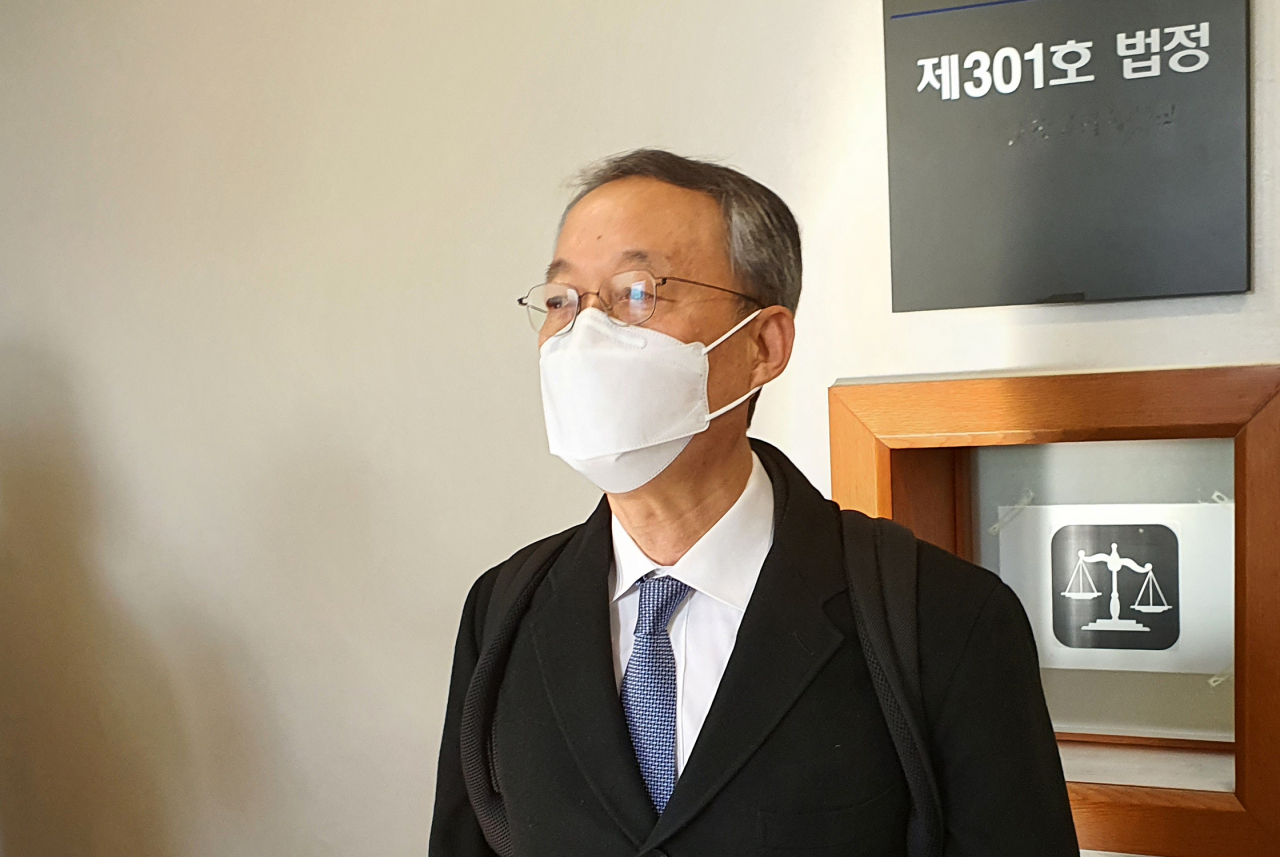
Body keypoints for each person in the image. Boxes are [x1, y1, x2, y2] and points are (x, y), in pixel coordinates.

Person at [429, 149, 1078, 857]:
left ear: (763, 344)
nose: (585, 334)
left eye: (637, 293)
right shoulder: (504, 610)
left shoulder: (944, 619)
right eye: (562, 301)